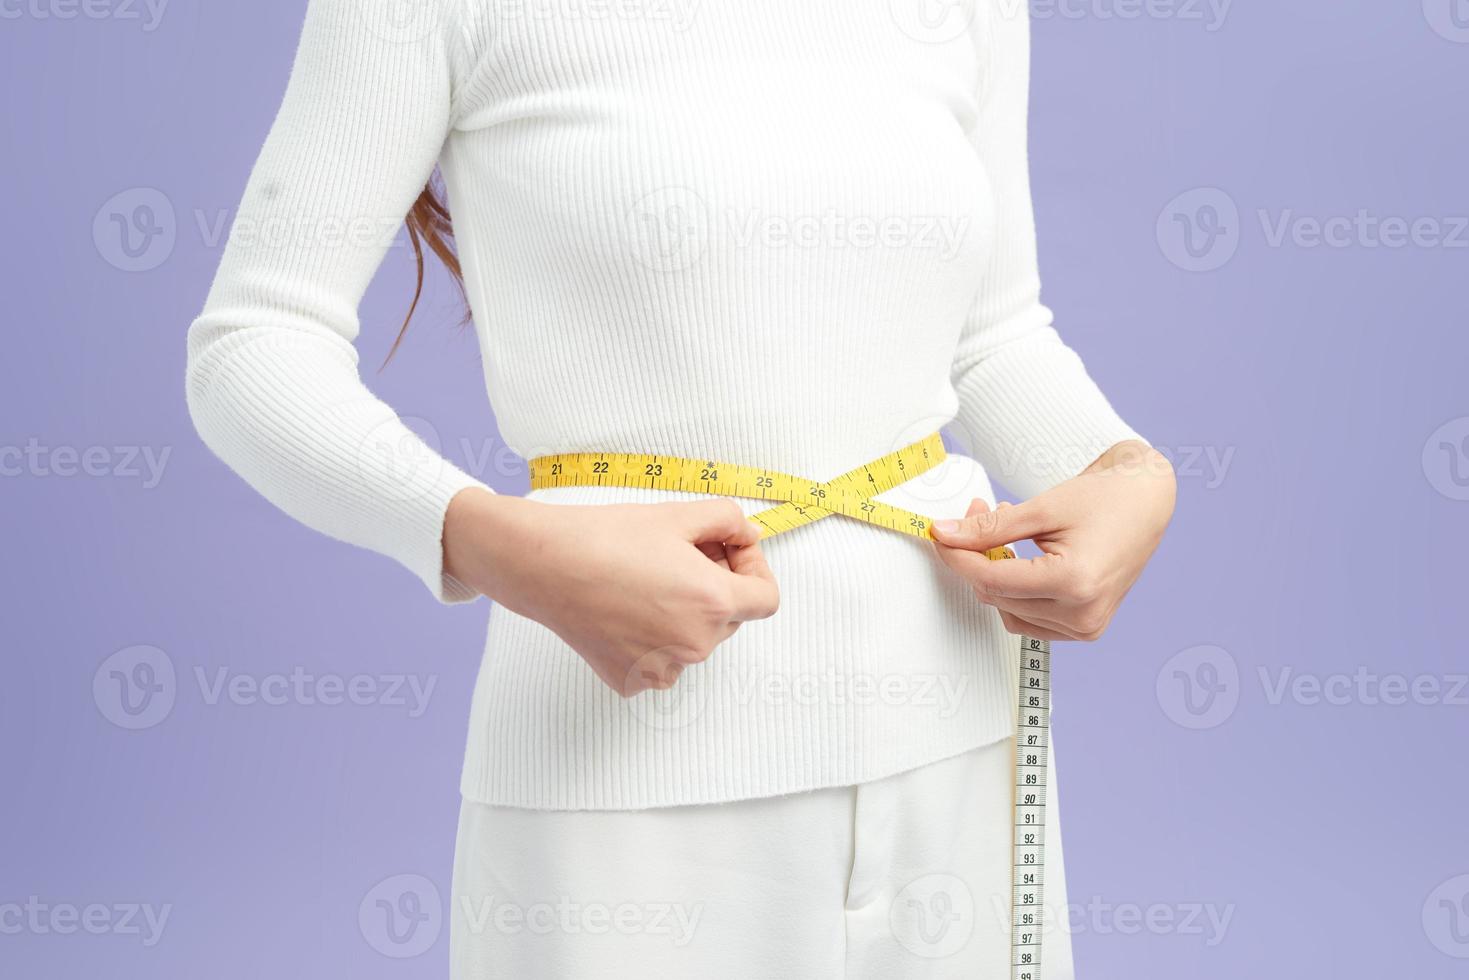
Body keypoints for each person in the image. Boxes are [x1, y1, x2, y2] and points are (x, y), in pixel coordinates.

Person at [184, 1, 1176, 976]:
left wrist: (1124, 468)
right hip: (624, 750)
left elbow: (991, 332)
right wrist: (487, 538)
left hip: (956, 733)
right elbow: (252, 347)